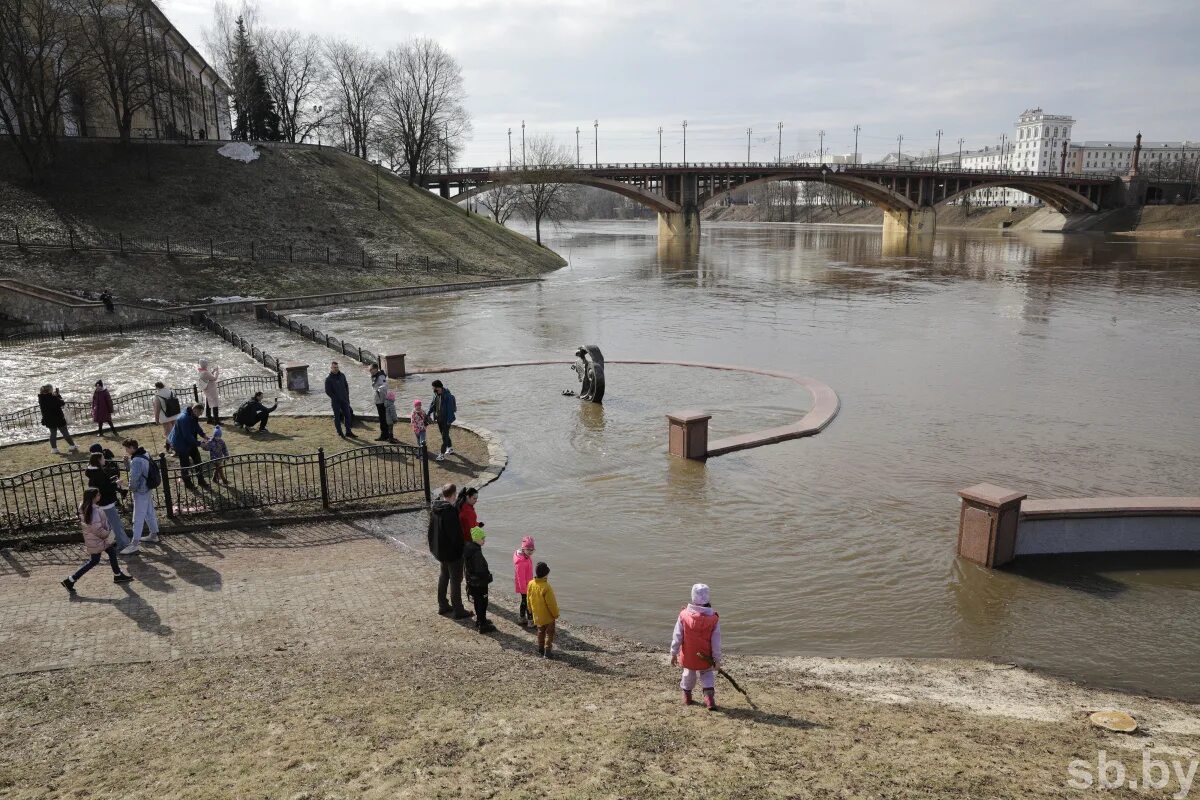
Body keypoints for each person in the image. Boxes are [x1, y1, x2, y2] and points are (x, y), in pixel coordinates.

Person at [61, 488, 133, 593]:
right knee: (94, 560)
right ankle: (70, 580)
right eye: (98, 495)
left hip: (95, 539)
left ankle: (118, 575)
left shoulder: (86, 507)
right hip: (99, 539)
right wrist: (109, 535)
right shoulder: (93, 510)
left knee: (111, 552)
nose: (100, 496)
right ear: (93, 497)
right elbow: (97, 529)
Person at [669, 583, 723, 711]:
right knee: (707, 674)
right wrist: (717, 659)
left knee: (688, 673)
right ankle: (709, 699)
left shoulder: (684, 615)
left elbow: (677, 636)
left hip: (689, 656)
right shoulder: (713, 618)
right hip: (706, 657)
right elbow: (716, 641)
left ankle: (687, 697)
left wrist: (673, 652)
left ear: (693, 598)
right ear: (708, 598)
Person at [427, 483, 471, 619]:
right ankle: (458, 609)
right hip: (452, 553)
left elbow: (430, 531)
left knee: (443, 576)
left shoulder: (436, 508)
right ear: (453, 494)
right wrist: (462, 549)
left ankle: (442, 605)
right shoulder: (450, 513)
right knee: (455, 580)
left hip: (440, 551)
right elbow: (455, 536)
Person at [85, 451, 129, 551]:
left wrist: (112, 481)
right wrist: (116, 483)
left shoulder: (93, 472)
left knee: (109, 525)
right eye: (103, 458)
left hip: (102, 503)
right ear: (98, 461)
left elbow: (102, 485)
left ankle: (112, 543)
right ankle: (124, 544)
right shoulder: (99, 473)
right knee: (116, 524)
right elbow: (105, 488)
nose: (104, 460)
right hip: (106, 502)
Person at [123, 438, 160, 551]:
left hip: (141, 491)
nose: (126, 451)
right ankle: (154, 534)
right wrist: (128, 463)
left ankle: (134, 544)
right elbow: (142, 471)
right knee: (149, 511)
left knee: (138, 517)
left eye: (126, 448)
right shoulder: (145, 453)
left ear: (132, 448)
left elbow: (134, 477)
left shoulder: (137, 460)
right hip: (148, 488)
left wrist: (130, 488)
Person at [462, 525, 496, 633]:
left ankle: (480, 620)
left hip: (472, 581)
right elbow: (480, 570)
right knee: (483, 602)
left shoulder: (470, 549)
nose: (484, 540)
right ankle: (483, 625)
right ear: (476, 539)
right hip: (480, 583)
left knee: (477, 601)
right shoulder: (476, 553)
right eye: (483, 538)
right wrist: (487, 577)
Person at [168, 404, 209, 490]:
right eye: (200, 413)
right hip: (181, 444)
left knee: (198, 461)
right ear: (195, 410)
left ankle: (201, 481)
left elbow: (196, 426)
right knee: (185, 465)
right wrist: (200, 443)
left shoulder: (192, 415)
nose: (201, 415)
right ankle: (188, 483)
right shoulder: (184, 419)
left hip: (190, 442)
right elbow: (187, 436)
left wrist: (204, 435)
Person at [527, 561, 559, 659]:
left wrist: (529, 609)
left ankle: (540, 648)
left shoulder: (531, 583)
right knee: (549, 634)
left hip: (537, 615)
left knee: (540, 632)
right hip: (548, 616)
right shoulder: (546, 587)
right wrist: (555, 614)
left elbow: (528, 598)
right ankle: (547, 651)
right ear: (546, 574)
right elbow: (551, 603)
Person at [38, 384, 78, 455]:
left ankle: (54, 449)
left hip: (48, 419)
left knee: (53, 433)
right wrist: (58, 395)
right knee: (64, 432)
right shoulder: (53, 397)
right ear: (50, 390)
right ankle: (72, 446)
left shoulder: (41, 398)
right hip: (58, 418)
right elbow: (62, 403)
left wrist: (54, 396)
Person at [324, 361, 356, 439]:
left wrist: (347, 396)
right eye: (334, 367)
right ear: (331, 368)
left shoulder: (342, 375)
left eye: (337, 367)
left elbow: (346, 385)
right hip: (336, 402)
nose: (336, 369)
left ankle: (348, 431)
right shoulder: (328, 379)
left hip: (345, 400)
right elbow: (328, 391)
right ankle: (340, 432)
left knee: (348, 416)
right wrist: (335, 398)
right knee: (337, 417)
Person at [429, 379, 457, 461]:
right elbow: (432, 405)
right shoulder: (435, 394)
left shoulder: (447, 396)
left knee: (444, 437)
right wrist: (428, 413)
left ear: (439, 387)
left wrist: (449, 421)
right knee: (444, 434)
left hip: (446, 420)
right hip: (439, 419)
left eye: (434, 388)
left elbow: (450, 410)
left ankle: (441, 455)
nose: (433, 389)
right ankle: (450, 448)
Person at [513, 536, 535, 628]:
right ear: (523, 548)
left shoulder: (526, 556)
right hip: (524, 586)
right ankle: (530, 621)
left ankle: (522, 618)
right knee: (528, 603)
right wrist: (524, 589)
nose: (530, 551)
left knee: (524, 601)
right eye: (528, 549)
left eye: (532, 549)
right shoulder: (521, 561)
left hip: (528, 583)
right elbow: (520, 577)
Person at [153, 382, 182, 452]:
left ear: (157, 387)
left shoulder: (157, 396)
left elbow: (157, 409)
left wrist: (156, 420)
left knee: (168, 433)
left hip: (165, 417)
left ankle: (170, 448)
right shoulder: (171, 392)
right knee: (175, 431)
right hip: (174, 414)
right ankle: (170, 445)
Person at [197, 359, 220, 424]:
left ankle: (209, 418)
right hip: (211, 390)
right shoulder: (205, 372)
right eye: (206, 364)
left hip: (206, 389)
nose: (207, 365)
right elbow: (214, 378)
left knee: (208, 404)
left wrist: (213, 371)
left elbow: (209, 377)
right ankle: (216, 420)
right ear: (205, 364)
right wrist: (217, 372)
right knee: (215, 404)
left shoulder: (200, 371)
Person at [370, 364, 389, 442]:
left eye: (371, 369)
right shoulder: (375, 376)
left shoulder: (380, 376)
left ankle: (384, 435)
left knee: (383, 418)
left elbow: (384, 385)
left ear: (375, 369)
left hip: (382, 400)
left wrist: (378, 390)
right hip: (378, 400)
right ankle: (385, 434)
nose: (370, 371)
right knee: (382, 418)